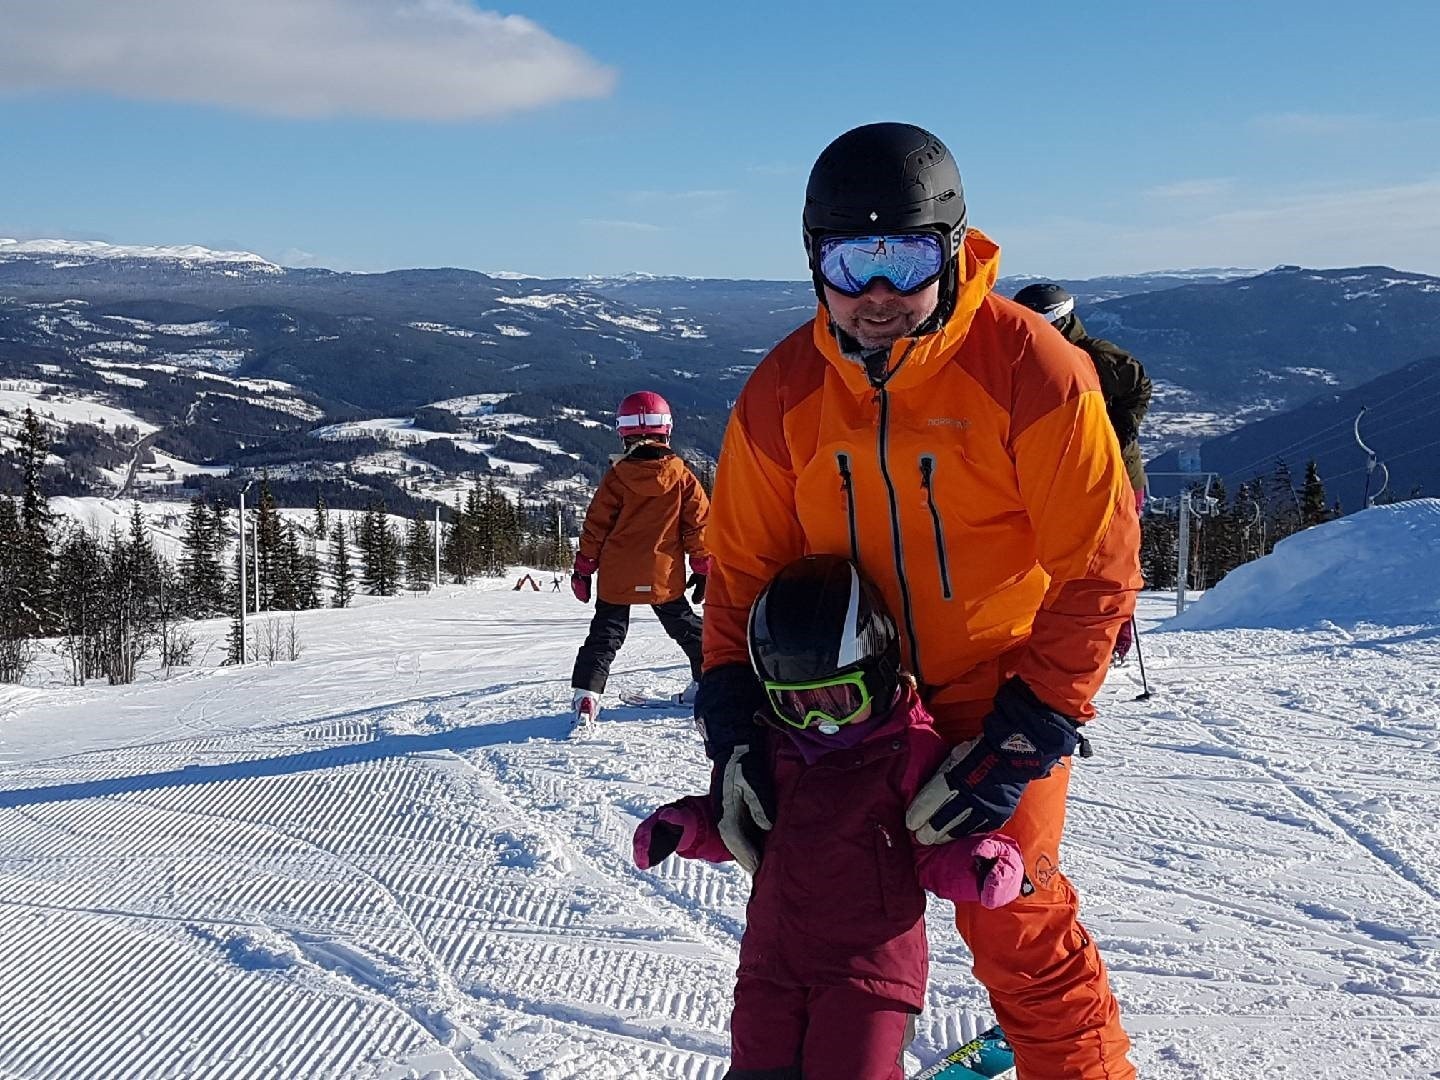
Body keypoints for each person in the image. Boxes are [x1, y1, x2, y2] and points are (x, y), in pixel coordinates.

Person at [695, 123, 1141, 1079]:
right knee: (814, 921)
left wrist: (1029, 730)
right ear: (817, 263)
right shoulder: (784, 391)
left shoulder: (1030, 370)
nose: (880, 295)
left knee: (1013, 916)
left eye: (904, 257)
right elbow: (737, 572)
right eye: (854, 262)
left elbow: (1097, 565)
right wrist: (735, 723)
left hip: (997, 690)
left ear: (953, 249)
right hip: (843, 706)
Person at [634, 555, 1025, 1078]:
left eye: (839, 699)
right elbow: (739, 821)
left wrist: (979, 862)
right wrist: (685, 827)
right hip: (773, 963)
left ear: (881, 673)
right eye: (796, 706)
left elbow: (933, 845)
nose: (818, 721)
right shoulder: (775, 747)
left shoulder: (910, 752)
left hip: (868, 972)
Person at [1013, 283, 1152, 665]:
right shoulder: (1029, 356)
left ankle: (1113, 639)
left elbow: (1138, 387)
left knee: (1109, 561)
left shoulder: (1096, 356)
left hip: (1117, 475)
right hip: (1062, 474)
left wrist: (1121, 430)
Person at [569, 390, 710, 726]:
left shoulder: (617, 479)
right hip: (664, 574)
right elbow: (699, 526)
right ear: (666, 430)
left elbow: (596, 527)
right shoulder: (682, 477)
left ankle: (587, 697)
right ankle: (708, 685)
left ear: (623, 431)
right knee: (690, 632)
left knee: (604, 637)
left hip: (618, 576)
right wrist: (703, 566)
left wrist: (584, 568)